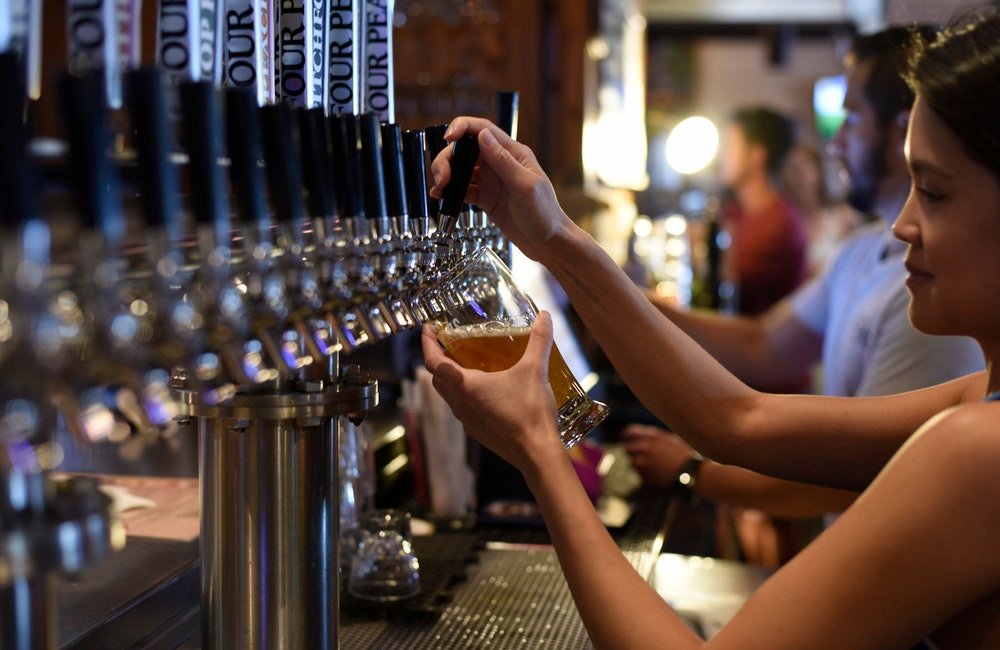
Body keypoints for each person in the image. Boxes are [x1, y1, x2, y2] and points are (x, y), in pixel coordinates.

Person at [423, 10, 1000, 647]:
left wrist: (537, 448)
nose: (903, 224)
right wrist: (553, 236)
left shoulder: (980, 448)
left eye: (937, 193)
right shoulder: (976, 402)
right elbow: (734, 419)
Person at [622, 26, 983, 543]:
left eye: (852, 115)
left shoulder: (934, 293)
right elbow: (764, 344)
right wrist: (629, 300)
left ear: (902, 127)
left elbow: (856, 478)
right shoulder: (863, 249)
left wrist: (691, 472)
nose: (834, 139)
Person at [717, 107, 807, 317]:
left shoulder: (779, 224)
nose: (723, 157)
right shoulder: (735, 210)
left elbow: (727, 281)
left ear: (756, 155)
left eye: (730, 147)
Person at [780, 144, 864, 276]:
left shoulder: (843, 217)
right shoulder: (785, 229)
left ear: (819, 170)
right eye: (792, 168)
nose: (798, 175)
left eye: (805, 165)